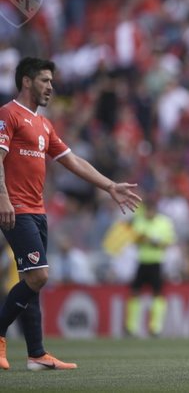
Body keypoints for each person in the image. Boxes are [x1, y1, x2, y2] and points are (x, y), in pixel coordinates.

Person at [0, 57, 141, 371]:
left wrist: (109, 186)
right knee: (39, 276)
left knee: (31, 280)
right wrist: (3, 198)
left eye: (51, 81)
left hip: (37, 210)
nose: (51, 87)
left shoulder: (44, 124)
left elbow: (72, 160)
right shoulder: (9, 114)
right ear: (26, 81)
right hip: (16, 208)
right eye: (45, 81)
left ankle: (36, 354)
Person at [125, 195, 176, 338]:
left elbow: (169, 242)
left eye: (151, 210)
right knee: (134, 293)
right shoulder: (138, 221)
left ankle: (155, 327)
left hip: (156, 261)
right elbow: (133, 239)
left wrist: (153, 242)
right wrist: (140, 239)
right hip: (142, 261)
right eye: (147, 210)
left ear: (155, 211)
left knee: (157, 294)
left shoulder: (164, 223)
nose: (149, 213)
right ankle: (131, 327)